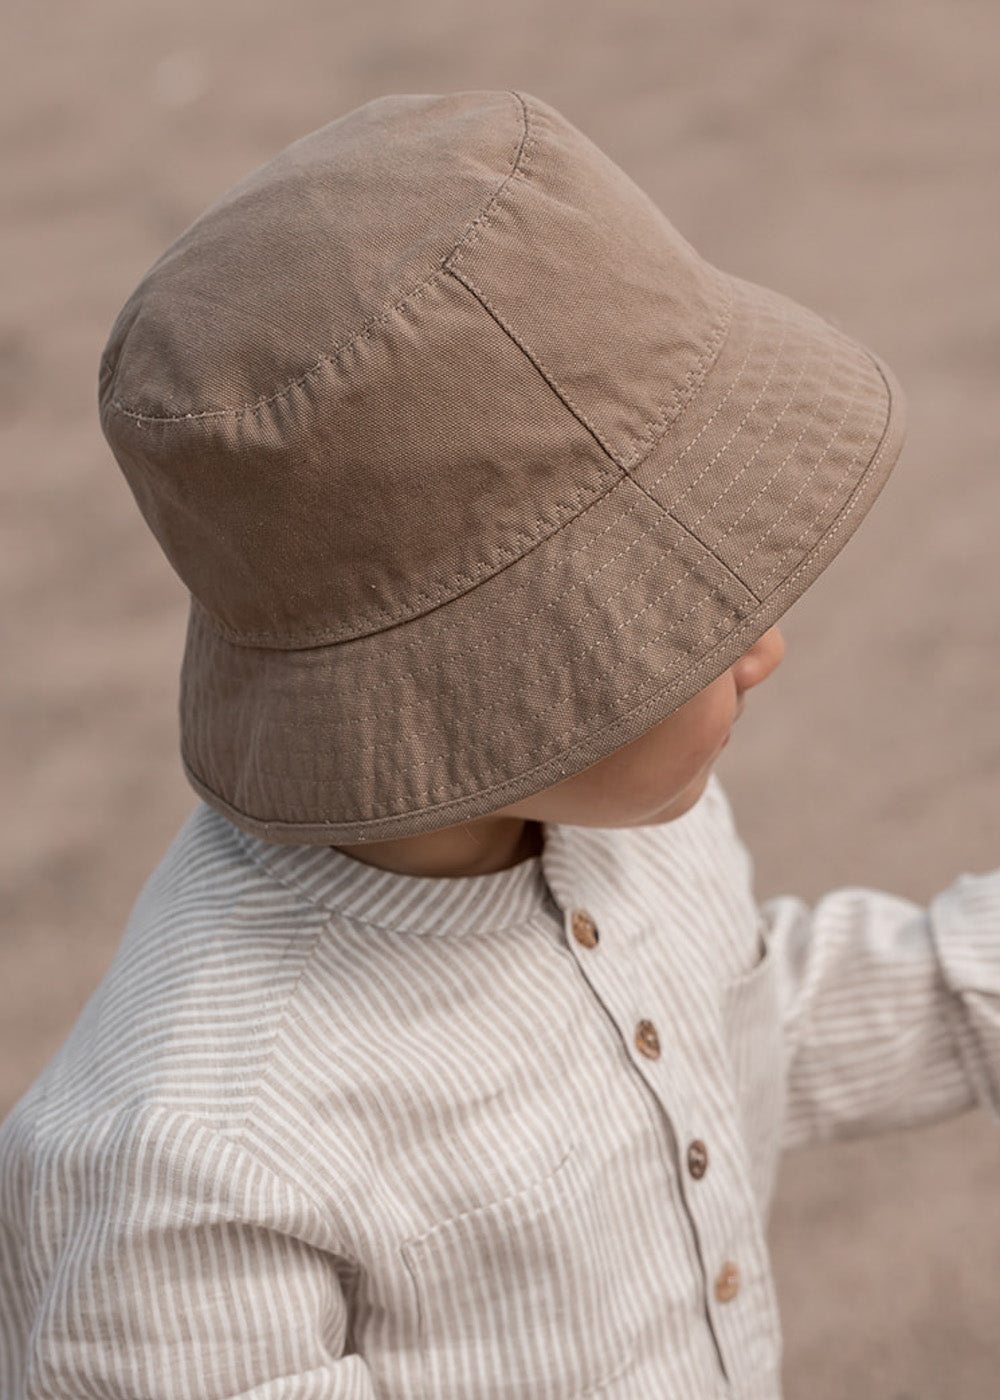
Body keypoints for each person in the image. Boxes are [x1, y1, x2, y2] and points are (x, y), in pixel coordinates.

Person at [0, 90, 996, 1400]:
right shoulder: (193, 1161)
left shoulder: (638, 814)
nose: (765, 649)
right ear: (493, 689)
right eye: (687, 613)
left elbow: (734, 1026)